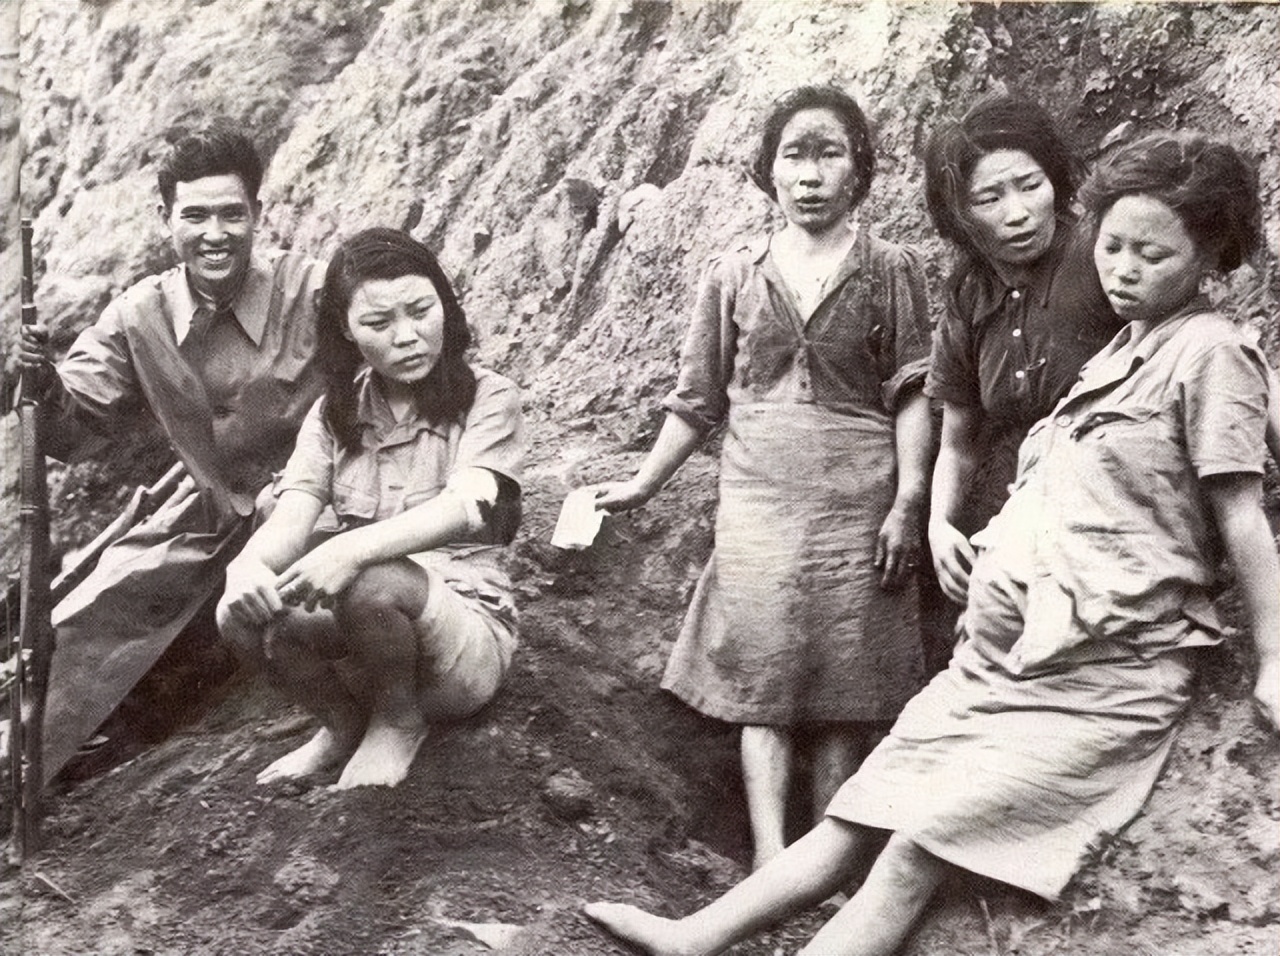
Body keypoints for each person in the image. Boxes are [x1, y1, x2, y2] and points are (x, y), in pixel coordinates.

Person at [583, 130, 1280, 956]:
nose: (1123, 269)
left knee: (917, 845)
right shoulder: (1119, 352)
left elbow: (1240, 513)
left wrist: (1273, 657)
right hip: (1000, 665)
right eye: (1114, 246)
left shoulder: (1213, 355)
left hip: (1103, 671)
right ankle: (693, 938)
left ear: (1212, 256)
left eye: (1152, 255)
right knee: (859, 812)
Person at [590, 87, 934, 868]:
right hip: (758, 502)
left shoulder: (892, 270)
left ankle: (827, 866)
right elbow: (697, 400)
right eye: (794, 154)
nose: (810, 174)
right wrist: (642, 483)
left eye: (829, 153)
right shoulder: (733, 274)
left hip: (859, 499)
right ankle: (772, 859)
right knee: (763, 679)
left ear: (860, 171)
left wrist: (909, 500)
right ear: (769, 172)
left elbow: (914, 391)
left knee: (849, 687)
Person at [17, 121, 327, 783]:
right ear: (166, 220)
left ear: (258, 215)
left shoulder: (318, 292)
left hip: (320, 513)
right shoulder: (138, 315)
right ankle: (25, 767)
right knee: (86, 621)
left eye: (230, 215)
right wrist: (36, 385)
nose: (214, 234)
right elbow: (77, 426)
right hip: (208, 520)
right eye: (195, 216)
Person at [215, 228, 525, 789]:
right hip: (367, 650)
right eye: (379, 324)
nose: (408, 336)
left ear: (445, 306)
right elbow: (291, 517)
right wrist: (247, 569)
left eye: (421, 310)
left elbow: (469, 505)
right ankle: (340, 724)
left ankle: (398, 723)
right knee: (239, 611)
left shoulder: (489, 396)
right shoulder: (334, 414)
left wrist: (350, 548)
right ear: (346, 330)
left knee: (372, 579)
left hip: (461, 645)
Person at [922, 92, 1119, 607]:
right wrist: (940, 528)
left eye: (1030, 186)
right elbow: (958, 443)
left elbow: (1208, 346)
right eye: (989, 199)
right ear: (959, 213)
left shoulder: (1102, 252)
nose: (1018, 213)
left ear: (1054, 180)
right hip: (1008, 501)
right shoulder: (969, 293)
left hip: (1107, 494)